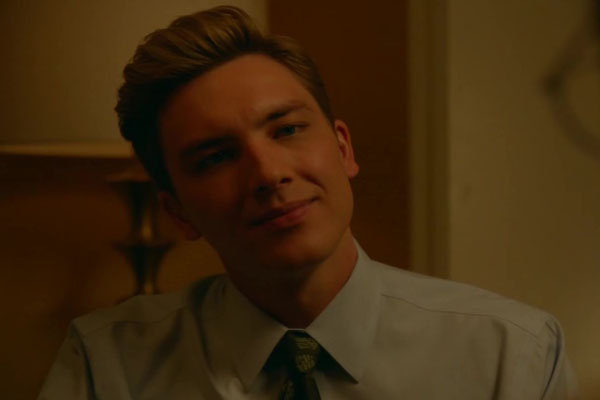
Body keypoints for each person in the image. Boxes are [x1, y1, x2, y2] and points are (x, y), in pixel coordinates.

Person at [38, 6, 578, 399]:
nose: (269, 173)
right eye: (216, 157)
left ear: (343, 149)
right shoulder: (109, 365)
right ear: (178, 212)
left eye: (288, 129)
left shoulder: (511, 356)